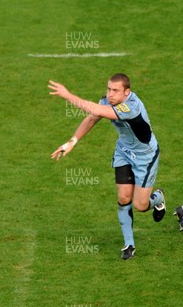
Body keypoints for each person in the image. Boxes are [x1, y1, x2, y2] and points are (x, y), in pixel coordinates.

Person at [48, 74, 166, 260]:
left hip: (145, 157)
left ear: (127, 92)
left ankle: (158, 198)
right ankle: (129, 244)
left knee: (140, 205)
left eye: (115, 90)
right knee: (123, 196)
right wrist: (72, 141)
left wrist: (67, 95)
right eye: (109, 89)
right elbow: (92, 118)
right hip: (124, 152)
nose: (110, 94)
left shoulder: (131, 107)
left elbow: (96, 109)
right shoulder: (107, 101)